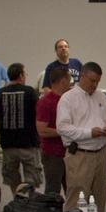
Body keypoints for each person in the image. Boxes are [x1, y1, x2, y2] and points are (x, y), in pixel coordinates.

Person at [56, 62, 106, 212]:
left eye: (97, 82)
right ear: (82, 76)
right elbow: (63, 127)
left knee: (99, 199)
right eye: (92, 80)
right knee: (77, 199)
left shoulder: (100, 96)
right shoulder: (68, 99)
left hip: (100, 154)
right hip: (80, 155)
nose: (94, 85)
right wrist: (89, 133)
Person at [0, 63, 42, 197]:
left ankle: (17, 199)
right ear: (20, 75)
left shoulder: (0, 93)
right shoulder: (30, 92)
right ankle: (29, 201)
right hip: (29, 143)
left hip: (8, 144)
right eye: (25, 74)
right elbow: (38, 114)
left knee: (12, 176)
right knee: (32, 176)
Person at [35, 65, 70, 196]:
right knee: (53, 191)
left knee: (73, 190)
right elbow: (42, 130)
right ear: (63, 81)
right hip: (53, 154)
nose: (70, 83)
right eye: (69, 80)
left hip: (69, 153)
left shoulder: (68, 99)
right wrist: (66, 131)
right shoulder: (45, 102)